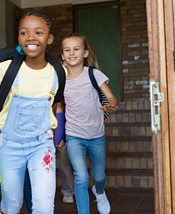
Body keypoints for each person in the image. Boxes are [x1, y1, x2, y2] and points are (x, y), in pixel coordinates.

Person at [0, 10, 59, 214]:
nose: (30, 37)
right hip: (9, 145)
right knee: (11, 205)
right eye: (24, 32)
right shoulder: (7, 69)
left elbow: (54, 105)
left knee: (44, 206)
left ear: (50, 38)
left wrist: (56, 135)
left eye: (38, 32)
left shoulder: (57, 73)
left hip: (42, 145)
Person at [61, 33, 118, 214]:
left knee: (99, 176)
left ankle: (99, 192)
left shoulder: (94, 74)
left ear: (85, 53)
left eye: (76, 49)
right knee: (81, 177)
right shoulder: (59, 79)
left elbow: (110, 97)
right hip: (74, 136)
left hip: (96, 136)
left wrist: (111, 105)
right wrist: (58, 134)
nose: (71, 53)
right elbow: (58, 107)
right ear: (62, 55)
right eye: (67, 50)